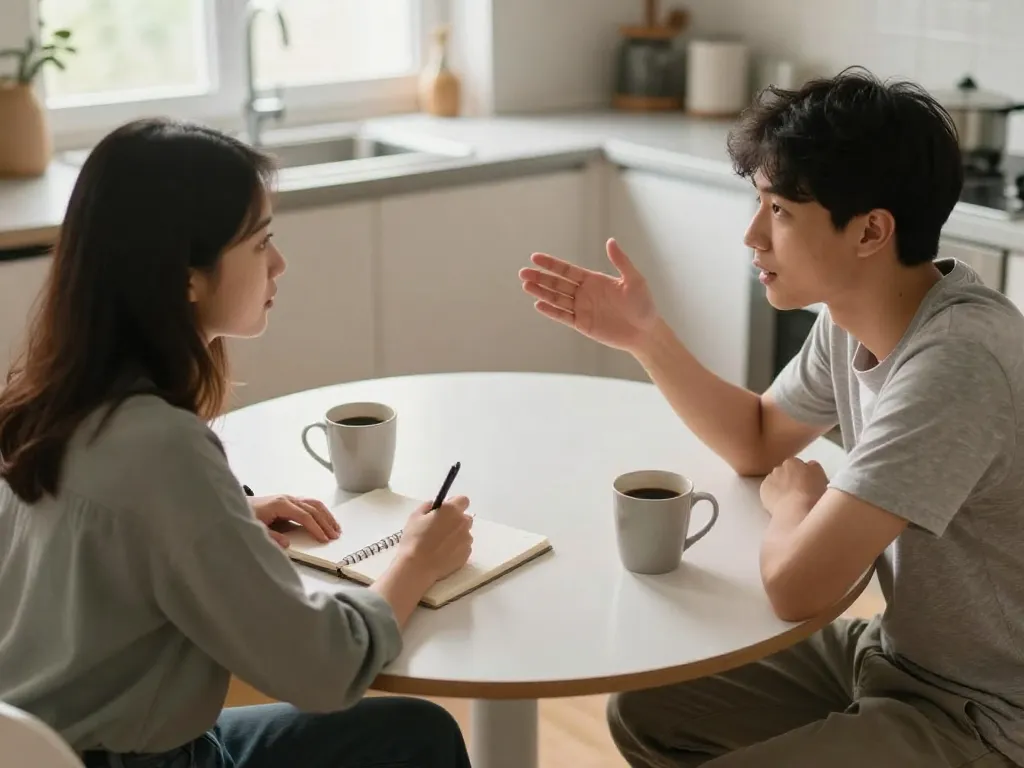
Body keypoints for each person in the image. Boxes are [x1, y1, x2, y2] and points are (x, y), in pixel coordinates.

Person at [520, 67, 1024, 767]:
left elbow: (796, 586)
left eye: (781, 211)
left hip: (989, 717)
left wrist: (796, 505)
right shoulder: (856, 319)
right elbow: (757, 438)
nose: (753, 236)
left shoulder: (957, 363)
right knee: (648, 711)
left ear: (871, 231)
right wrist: (644, 335)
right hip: (898, 658)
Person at [0, 117, 474, 768]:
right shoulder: (163, 450)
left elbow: (84, 553)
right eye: (259, 243)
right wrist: (417, 560)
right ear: (185, 277)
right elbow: (322, 669)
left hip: (38, 749)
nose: (279, 263)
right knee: (416, 738)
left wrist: (224, 521)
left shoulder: (41, 406)